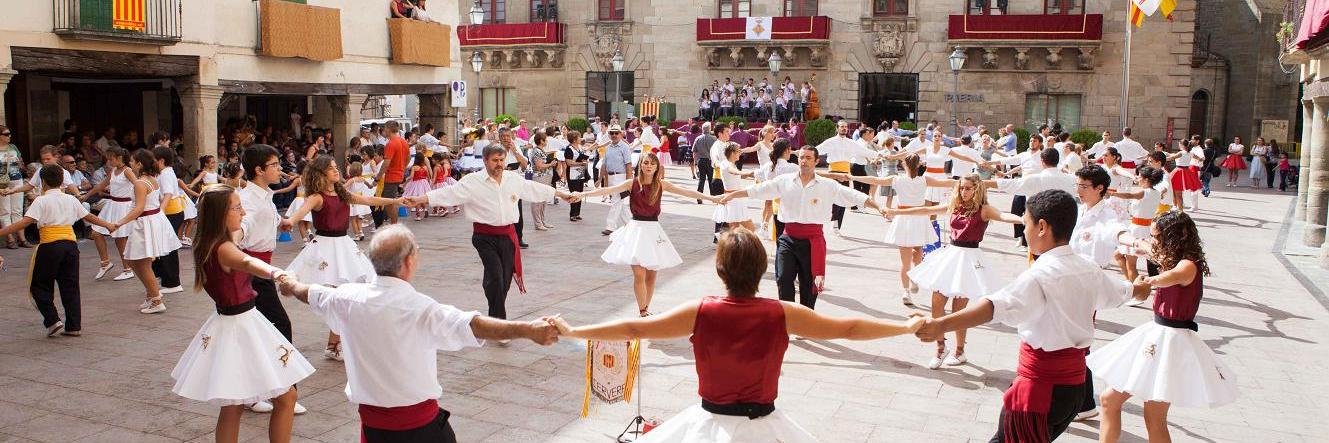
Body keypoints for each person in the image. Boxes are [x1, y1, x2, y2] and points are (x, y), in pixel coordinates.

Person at [551, 228, 925, 443]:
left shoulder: (700, 311)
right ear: (762, 268)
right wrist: (904, 327)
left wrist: (573, 330)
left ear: (720, 270)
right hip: (765, 425)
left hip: (709, 425)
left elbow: (635, 328)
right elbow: (849, 328)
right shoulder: (781, 312)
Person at [274, 225, 558, 442]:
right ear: (409, 262)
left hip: (374, 428)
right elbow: (472, 324)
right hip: (420, 428)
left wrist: (290, 283)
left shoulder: (346, 298)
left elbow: (309, 292)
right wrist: (528, 330)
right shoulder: (419, 308)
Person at [915, 189, 1150, 443]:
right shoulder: (1088, 269)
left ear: (1041, 227)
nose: (1023, 232)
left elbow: (993, 307)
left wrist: (941, 324)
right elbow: (1122, 292)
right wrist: (1140, 288)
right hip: (1074, 391)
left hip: (1040, 393)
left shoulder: (1041, 275)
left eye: (1025, 223)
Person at [168, 185, 313, 443]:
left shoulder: (210, 242)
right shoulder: (223, 248)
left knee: (234, 405)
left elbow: (238, 238)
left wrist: (244, 224)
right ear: (220, 214)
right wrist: (277, 273)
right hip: (242, 325)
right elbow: (247, 262)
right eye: (236, 207)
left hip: (233, 321)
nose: (242, 211)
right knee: (284, 397)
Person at [1089, 211, 1238, 443]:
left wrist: (1147, 281)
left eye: (1157, 237)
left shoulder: (1188, 265)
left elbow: (1170, 277)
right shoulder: (1169, 255)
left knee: (1153, 416)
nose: (1154, 241)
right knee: (1110, 400)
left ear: (1173, 238)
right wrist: (1131, 242)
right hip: (1155, 334)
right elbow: (1141, 244)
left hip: (1172, 342)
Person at [407, 145, 576, 325]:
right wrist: (420, 199)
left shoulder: (513, 179)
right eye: (495, 160)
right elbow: (449, 193)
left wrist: (561, 194)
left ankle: (494, 313)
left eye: (501, 160)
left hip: (508, 236)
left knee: (503, 280)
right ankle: (499, 323)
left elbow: (534, 189)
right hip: (484, 237)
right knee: (495, 276)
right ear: (485, 160)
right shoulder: (472, 181)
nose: (499, 164)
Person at [884, 174, 1023, 369]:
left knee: (958, 311)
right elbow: (926, 209)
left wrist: (1024, 219)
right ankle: (941, 348)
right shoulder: (955, 205)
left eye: (967, 188)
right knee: (937, 302)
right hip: (950, 256)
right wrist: (896, 212)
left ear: (977, 189)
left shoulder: (984, 210)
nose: (963, 192)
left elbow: (1003, 216)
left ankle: (960, 351)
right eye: (961, 188)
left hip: (969, 259)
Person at [721, 147, 878, 310]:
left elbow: (853, 195)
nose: (804, 161)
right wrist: (732, 195)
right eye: (802, 157)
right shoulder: (785, 180)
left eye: (809, 158)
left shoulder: (827, 185)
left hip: (813, 241)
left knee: (809, 285)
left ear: (817, 161)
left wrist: (878, 207)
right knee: (783, 278)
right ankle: (789, 317)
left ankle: (805, 319)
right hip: (788, 238)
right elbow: (759, 189)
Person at [284, 155, 405, 360]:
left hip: (344, 246)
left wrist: (394, 200)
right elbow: (301, 211)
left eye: (335, 167)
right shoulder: (317, 197)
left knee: (344, 297)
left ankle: (334, 343)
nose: (336, 170)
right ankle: (334, 343)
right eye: (331, 169)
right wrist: (289, 220)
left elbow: (368, 199)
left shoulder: (342, 193)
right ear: (321, 174)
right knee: (337, 297)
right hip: (325, 248)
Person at [574, 153, 720, 316]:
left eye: (652, 163)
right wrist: (582, 194)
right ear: (641, 165)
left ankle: (645, 308)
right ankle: (642, 310)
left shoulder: (661, 184)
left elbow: (686, 192)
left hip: (653, 230)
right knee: (639, 273)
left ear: (657, 166)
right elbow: (609, 189)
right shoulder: (632, 183)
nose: (649, 166)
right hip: (635, 230)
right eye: (645, 163)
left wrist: (712, 198)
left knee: (651, 274)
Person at [0, 165, 117, 336]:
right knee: (70, 286)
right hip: (70, 245)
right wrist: (107, 224)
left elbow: (25, 222)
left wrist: (1, 232)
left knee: (39, 285)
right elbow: (88, 216)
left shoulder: (41, 200)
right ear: (62, 181)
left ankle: (52, 320)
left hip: (49, 246)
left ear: (43, 181)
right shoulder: (70, 199)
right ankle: (74, 326)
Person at [118, 149, 182, 314]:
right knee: (134, 260)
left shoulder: (141, 183)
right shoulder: (152, 179)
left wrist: (120, 222)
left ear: (139, 164)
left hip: (145, 223)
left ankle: (156, 299)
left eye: (132, 162)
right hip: (151, 221)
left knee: (142, 262)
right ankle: (151, 293)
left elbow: (139, 208)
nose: (130, 164)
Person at [81, 147, 136, 281]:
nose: (109, 161)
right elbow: (101, 185)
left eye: (111, 158)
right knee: (96, 232)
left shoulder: (127, 171)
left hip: (124, 206)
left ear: (119, 158)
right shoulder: (113, 171)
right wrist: (86, 196)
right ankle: (105, 262)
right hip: (112, 205)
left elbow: (137, 184)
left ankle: (127, 269)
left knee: (120, 239)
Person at [1111, 166, 1167, 283]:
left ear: (1146, 180)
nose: (1137, 179)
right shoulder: (1156, 193)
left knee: (1131, 264)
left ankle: (1135, 289)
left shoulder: (1144, 192)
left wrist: (1112, 194)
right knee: (1118, 255)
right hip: (1146, 228)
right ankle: (1130, 282)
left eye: (1140, 177)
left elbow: (1129, 195)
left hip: (1137, 229)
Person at [600, 125, 634, 235]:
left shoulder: (624, 147)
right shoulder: (608, 147)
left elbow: (628, 164)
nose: (614, 135)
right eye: (612, 133)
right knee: (619, 202)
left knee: (616, 201)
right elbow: (604, 164)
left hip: (621, 177)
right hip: (610, 177)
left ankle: (610, 226)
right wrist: (600, 179)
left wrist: (629, 181)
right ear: (609, 135)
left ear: (621, 134)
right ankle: (631, 224)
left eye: (616, 133)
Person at [378, 121, 411, 224]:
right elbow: (408, 157)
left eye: (384, 129)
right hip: (399, 174)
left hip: (391, 176)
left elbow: (386, 163)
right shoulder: (403, 142)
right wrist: (403, 168)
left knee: (389, 202)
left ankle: (394, 225)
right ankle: (393, 223)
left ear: (388, 129)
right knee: (391, 200)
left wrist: (378, 177)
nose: (384, 131)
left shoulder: (391, 143)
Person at [0, 125, 27, 248]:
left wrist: (20, 164)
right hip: (2, 182)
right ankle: (10, 238)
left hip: (16, 179)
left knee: (17, 209)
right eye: (6, 134)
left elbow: (21, 161)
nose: (9, 136)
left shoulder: (13, 147)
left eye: (9, 133)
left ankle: (22, 238)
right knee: (5, 210)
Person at [401, 152, 433, 221]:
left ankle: (418, 215)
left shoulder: (414, 167)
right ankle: (425, 209)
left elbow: (411, 177)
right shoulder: (425, 167)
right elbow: (428, 176)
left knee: (416, 199)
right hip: (424, 183)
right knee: (422, 198)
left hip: (416, 184)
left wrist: (405, 182)